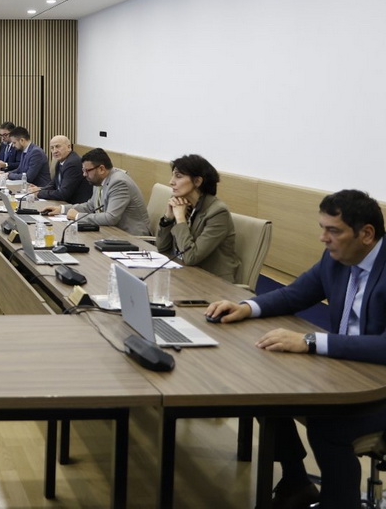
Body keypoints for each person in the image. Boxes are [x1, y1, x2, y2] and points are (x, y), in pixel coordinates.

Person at [206, 190, 386, 509]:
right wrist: (247, 307)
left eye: (333, 231)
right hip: (346, 370)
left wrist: (310, 341)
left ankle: (339, 503)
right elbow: (294, 294)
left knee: (327, 425)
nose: (323, 238)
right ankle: (296, 482)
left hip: (379, 386)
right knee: (266, 389)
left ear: (367, 234)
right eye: (322, 228)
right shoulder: (336, 259)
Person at [155, 154, 239, 282]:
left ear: (198, 181)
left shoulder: (218, 212)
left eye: (178, 176)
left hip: (212, 282)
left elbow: (191, 257)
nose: (171, 182)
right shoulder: (182, 204)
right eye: (172, 175)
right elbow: (161, 247)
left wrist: (180, 219)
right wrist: (168, 218)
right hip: (184, 274)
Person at [48, 148, 151, 236]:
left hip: (132, 237)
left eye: (87, 171)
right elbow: (90, 206)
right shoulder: (99, 180)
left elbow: (111, 218)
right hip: (112, 233)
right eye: (83, 170)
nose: (84, 174)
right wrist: (62, 209)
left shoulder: (119, 183)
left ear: (101, 169)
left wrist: (77, 216)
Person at [30, 135, 92, 204]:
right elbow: (54, 184)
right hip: (64, 202)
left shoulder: (72, 163)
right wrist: (39, 189)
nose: (54, 151)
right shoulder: (61, 161)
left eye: (57, 146)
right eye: (52, 148)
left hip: (74, 205)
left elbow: (63, 194)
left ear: (69, 147)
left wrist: (39, 193)